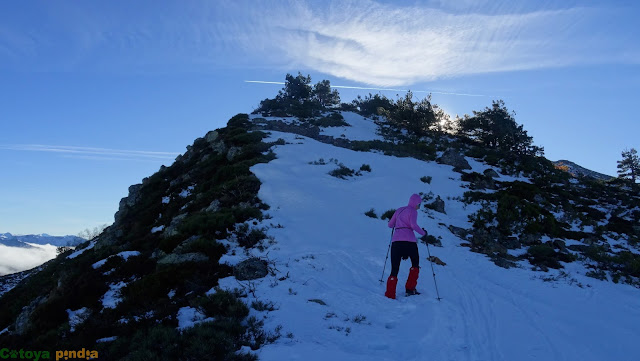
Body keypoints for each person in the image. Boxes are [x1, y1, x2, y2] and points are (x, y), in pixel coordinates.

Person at [385, 193, 426, 299]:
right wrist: (423, 233)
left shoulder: (399, 210)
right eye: (419, 204)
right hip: (409, 242)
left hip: (396, 242)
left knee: (394, 268)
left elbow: (390, 225)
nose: (419, 207)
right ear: (415, 203)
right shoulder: (413, 211)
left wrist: (399, 224)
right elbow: (413, 225)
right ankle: (410, 288)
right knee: (415, 263)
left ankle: (390, 294)